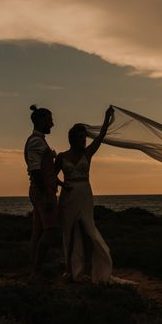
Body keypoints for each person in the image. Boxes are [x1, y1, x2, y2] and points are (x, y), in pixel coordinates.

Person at [56, 106, 114, 283]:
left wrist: (106, 118)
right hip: (68, 196)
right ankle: (70, 269)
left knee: (88, 230)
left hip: (84, 194)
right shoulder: (61, 156)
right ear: (72, 139)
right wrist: (62, 185)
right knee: (69, 232)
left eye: (85, 137)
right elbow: (51, 175)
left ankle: (88, 269)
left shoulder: (88, 153)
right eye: (80, 137)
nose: (84, 140)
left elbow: (101, 136)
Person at [24, 105, 58, 279]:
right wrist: (46, 194)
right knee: (51, 229)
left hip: (39, 190)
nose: (52, 123)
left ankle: (33, 269)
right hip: (42, 191)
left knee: (38, 230)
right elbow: (36, 170)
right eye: (50, 120)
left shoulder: (39, 140)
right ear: (41, 121)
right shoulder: (36, 141)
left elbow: (42, 169)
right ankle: (36, 270)